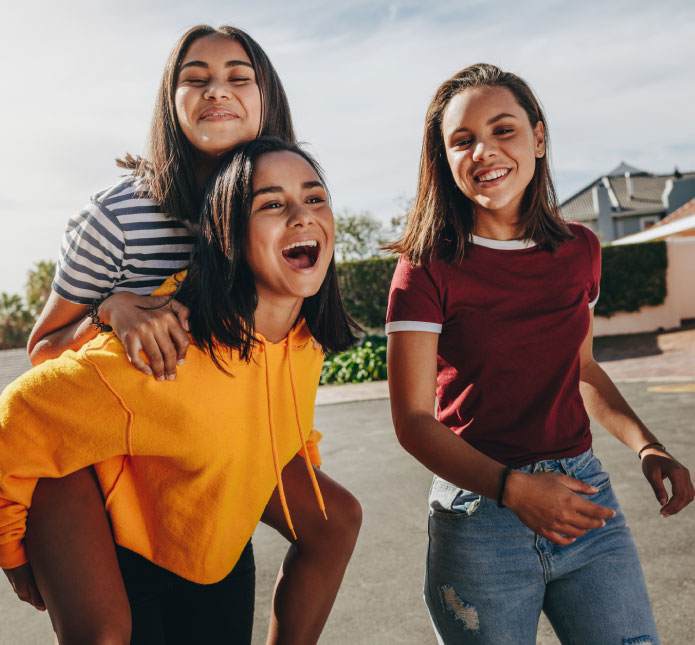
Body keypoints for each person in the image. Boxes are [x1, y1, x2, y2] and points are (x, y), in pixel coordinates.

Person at [8, 26, 362, 644]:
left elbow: (278, 356)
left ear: (266, 98)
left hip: (196, 410)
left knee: (335, 521)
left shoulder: (280, 187)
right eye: (194, 79)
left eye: (237, 77)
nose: (216, 91)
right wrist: (113, 307)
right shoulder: (121, 214)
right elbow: (42, 354)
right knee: (104, 628)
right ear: (169, 104)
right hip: (101, 412)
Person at [386, 63, 694, 644]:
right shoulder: (424, 266)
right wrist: (512, 489)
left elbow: (581, 369)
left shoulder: (581, 250)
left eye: (504, 130)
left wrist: (647, 446)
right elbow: (412, 422)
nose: (485, 151)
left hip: (584, 501)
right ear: (444, 158)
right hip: (479, 518)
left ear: (539, 137)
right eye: (463, 139)